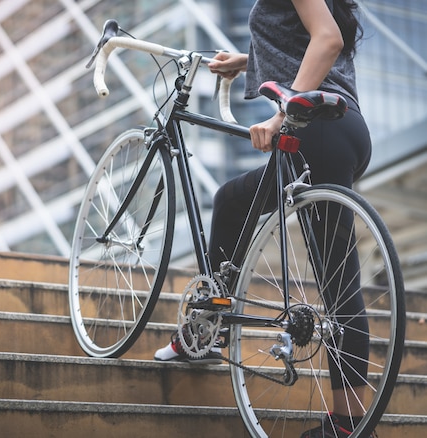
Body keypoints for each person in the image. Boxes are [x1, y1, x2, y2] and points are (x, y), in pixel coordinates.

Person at [154, 0, 373, 436]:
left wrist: (280, 115)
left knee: (335, 282)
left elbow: (325, 39)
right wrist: (247, 60)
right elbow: (303, 36)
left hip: (314, 127)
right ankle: (347, 424)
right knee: (239, 205)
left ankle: (207, 333)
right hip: (346, 129)